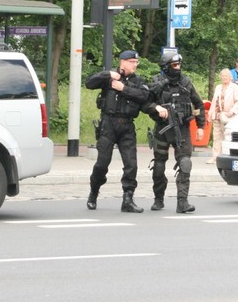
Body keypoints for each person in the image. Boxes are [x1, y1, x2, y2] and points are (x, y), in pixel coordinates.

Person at [85, 50, 150, 212]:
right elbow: (89, 83)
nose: (135, 65)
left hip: (127, 126)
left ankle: (127, 200)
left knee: (131, 165)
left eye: (136, 62)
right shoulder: (109, 77)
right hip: (108, 124)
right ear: (122, 62)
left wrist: (123, 88)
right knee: (102, 164)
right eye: (131, 62)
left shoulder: (138, 80)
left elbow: (144, 96)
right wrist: (106, 74)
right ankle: (93, 193)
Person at [145, 51, 205, 213]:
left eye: (179, 64)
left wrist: (200, 127)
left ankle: (182, 202)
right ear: (166, 67)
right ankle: (158, 199)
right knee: (158, 166)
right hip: (162, 130)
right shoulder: (157, 84)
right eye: (174, 65)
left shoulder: (186, 83)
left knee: (185, 163)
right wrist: (157, 109)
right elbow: (145, 103)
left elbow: (198, 105)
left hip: (182, 130)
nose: (177, 68)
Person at [207, 68, 238, 164]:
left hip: (228, 116)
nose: (224, 78)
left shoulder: (234, 87)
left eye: (226, 76)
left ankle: (228, 157)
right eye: (222, 76)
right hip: (217, 115)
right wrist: (210, 113)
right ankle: (215, 157)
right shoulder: (218, 87)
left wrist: (232, 112)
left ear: (230, 77)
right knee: (217, 137)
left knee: (227, 137)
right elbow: (214, 101)